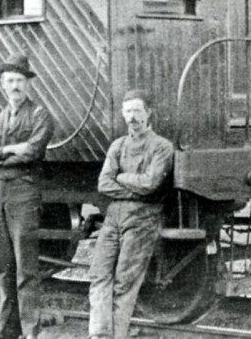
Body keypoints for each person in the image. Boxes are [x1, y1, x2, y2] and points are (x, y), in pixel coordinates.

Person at [0, 53, 54, 339]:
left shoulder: (40, 115)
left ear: (27, 84)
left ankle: (31, 330)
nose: (15, 86)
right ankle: (5, 328)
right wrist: (9, 150)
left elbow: (33, 151)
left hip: (24, 193)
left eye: (20, 80)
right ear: (2, 85)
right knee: (2, 264)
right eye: (10, 81)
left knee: (26, 265)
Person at [87, 89, 174, 339]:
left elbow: (151, 184)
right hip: (113, 217)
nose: (132, 117)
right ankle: (99, 335)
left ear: (148, 113)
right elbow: (104, 183)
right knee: (99, 275)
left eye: (137, 110)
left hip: (142, 219)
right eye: (127, 111)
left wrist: (122, 177)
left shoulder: (162, 147)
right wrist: (134, 187)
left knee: (125, 282)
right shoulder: (118, 145)